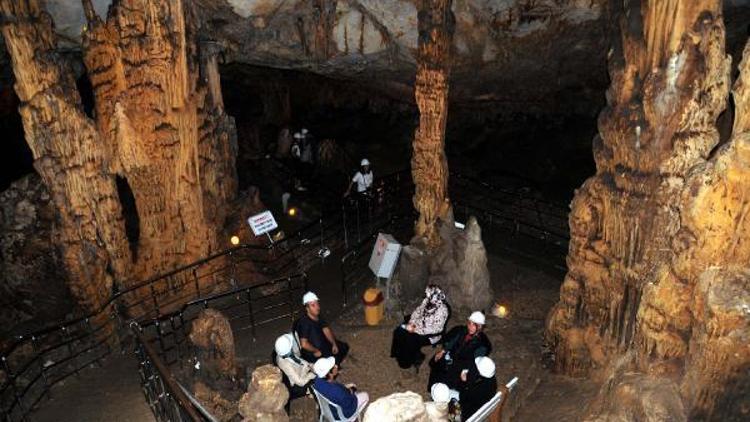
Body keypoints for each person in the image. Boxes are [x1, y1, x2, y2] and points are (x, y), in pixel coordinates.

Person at [390, 285, 450, 370]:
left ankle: (408, 362)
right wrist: (412, 323)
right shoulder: (427, 301)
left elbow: (436, 329)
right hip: (418, 325)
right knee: (398, 331)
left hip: (431, 335)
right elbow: (417, 312)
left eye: (427, 294)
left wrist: (415, 329)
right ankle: (397, 353)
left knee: (410, 338)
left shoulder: (443, 310)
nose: (426, 295)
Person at [428, 311, 491, 390]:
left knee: (450, 377)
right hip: (454, 355)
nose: (470, 327)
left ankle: (444, 390)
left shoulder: (481, 345)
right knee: (437, 362)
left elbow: (474, 361)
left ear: (480, 327)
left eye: (474, 325)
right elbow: (454, 340)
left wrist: (465, 371)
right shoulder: (464, 331)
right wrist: (443, 351)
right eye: (469, 323)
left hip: (462, 363)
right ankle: (433, 388)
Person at [295, 291, 349, 363]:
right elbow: (304, 344)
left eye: (317, 304)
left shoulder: (317, 315)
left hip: (323, 344)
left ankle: (336, 362)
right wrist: (315, 350)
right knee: (331, 362)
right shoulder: (304, 323)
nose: (317, 307)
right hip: (314, 351)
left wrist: (333, 343)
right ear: (307, 308)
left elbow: (326, 329)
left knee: (344, 347)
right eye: (313, 305)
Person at [274, 333, 315, 411]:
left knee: (312, 363)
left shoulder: (284, 353)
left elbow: (298, 360)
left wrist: (309, 365)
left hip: (298, 370)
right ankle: (310, 391)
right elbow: (301, 382)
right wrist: (312, 374)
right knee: (316, 377)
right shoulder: (285, 364)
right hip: (297, 383)